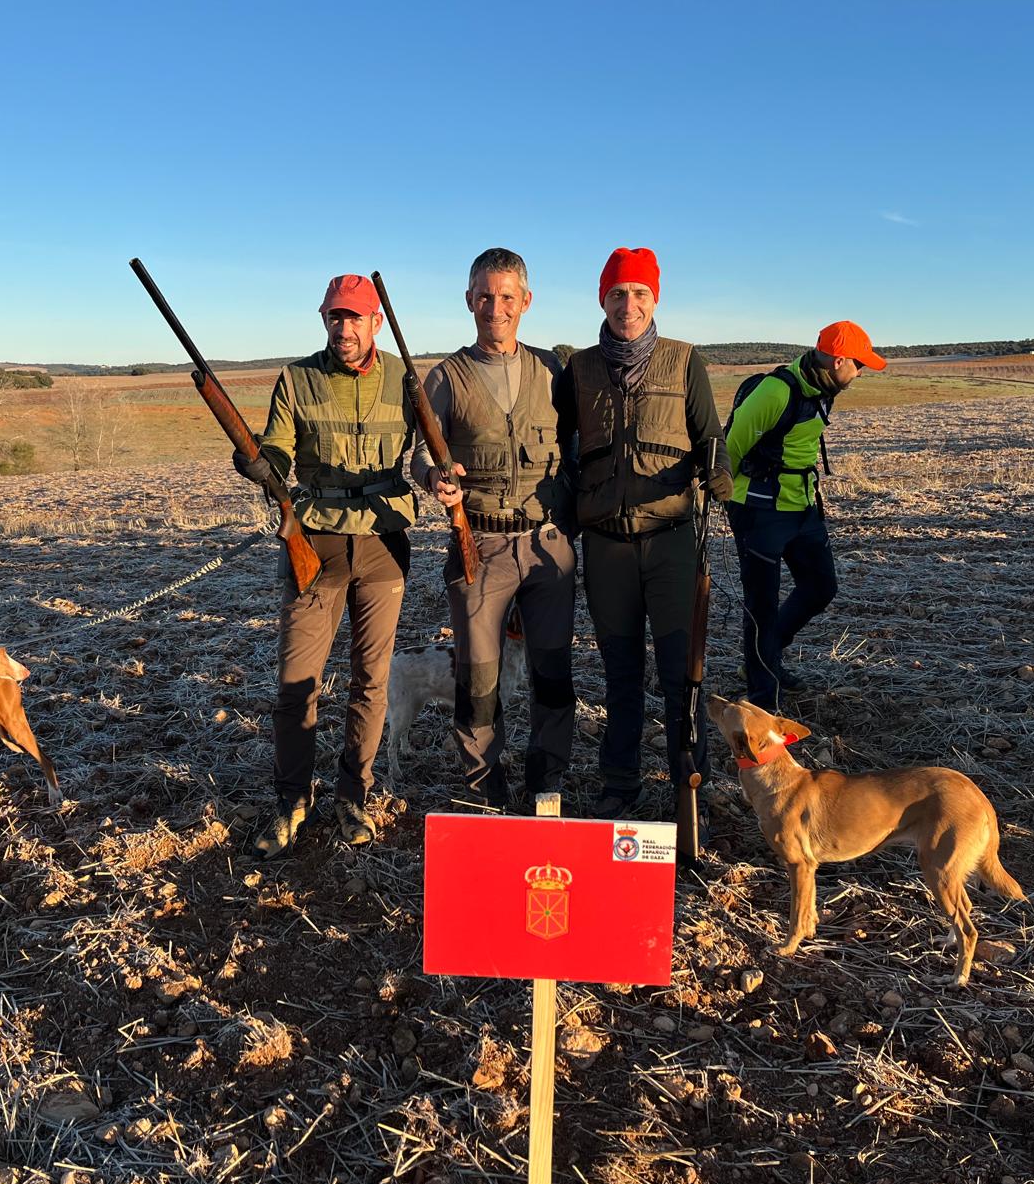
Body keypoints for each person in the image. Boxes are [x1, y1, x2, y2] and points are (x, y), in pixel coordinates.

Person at [233, 274, 416, 857]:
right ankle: (292, 801)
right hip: (315, 546)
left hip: (385, 546)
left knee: (371, 680)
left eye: (356, 317)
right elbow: (280, 449)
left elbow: (437, 449)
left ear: (376, 322)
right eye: (336, 316)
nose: (345, 327)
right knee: (297, 684)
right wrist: (259, 462)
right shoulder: (297, 378)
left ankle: (353, 796)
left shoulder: (409, 382)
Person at [557, 247, 732, 819]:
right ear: (602, 300)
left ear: (655, 299)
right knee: (621, 673)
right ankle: (619, 785)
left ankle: (690, 785)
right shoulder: (578, 370)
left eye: (639, 294)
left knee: (683, 672)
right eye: (616, 294)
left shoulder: (685, 362)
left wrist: (718, 471)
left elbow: (709, 435)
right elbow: (561, 450)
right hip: (605, 544)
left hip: (672, 540)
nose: (627, 305)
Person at [413, 248, 576, 811]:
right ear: (468, 301)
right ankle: (487, 790)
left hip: (546, 543)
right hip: (477, 543)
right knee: (478, 679)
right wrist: (435, 477)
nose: (496, 307)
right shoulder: (445, 377)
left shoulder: (553, 372)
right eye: (485, 295)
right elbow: (418, 458)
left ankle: (546, 782)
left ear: (526, 302)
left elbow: (576, 450)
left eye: (507, 296)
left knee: (552, 672)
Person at [724, 321, 885, 708]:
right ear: (839, 359)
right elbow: (730, 447)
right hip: (759, 510)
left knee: (821, 587)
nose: (860, 374)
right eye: (859, 365)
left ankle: (765, 658)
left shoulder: (823, 387)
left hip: (802, 506)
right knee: (761, 606)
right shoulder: (776, 391)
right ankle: (763, 699)